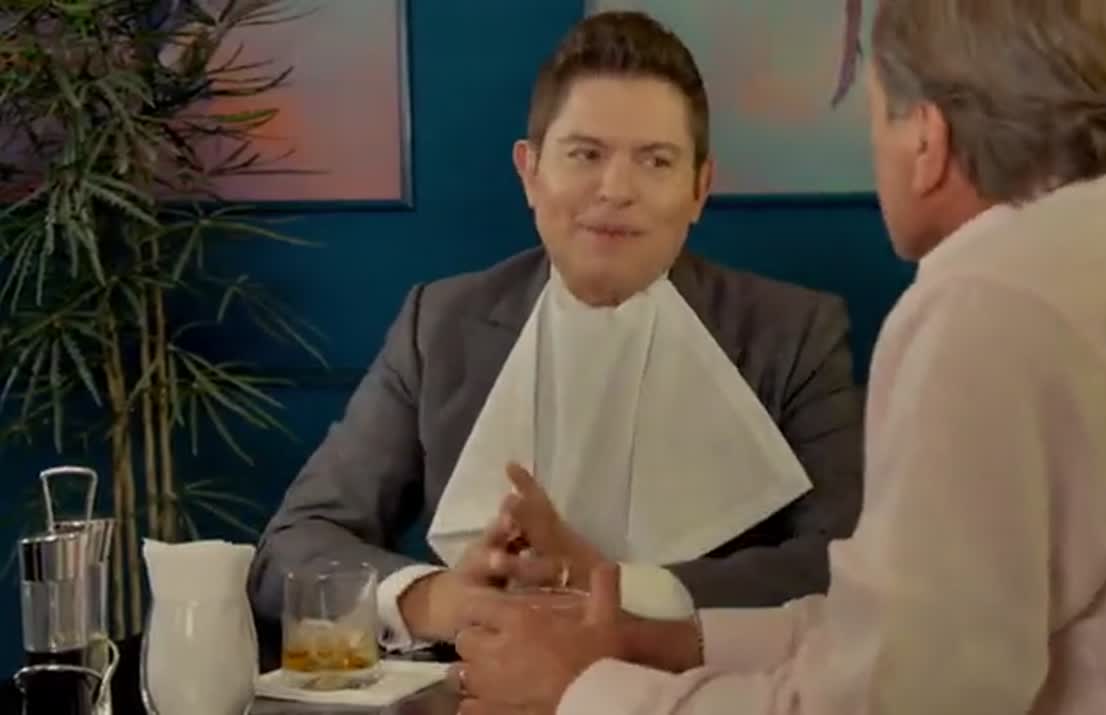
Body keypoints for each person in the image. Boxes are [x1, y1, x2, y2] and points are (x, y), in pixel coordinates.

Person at [449, 0, 1106, 713]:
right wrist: (666, 639)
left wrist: (581, 689)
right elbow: (911, 633)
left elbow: (891, 700)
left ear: (927, 140)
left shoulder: (994, 298)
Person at [247, 10, 865, 652]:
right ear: (530, 172)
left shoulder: (793, 335)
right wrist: (440, 600)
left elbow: (848, 567)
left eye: (656, 160)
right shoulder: (441, 326)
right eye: (585, 155)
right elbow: (292, 545)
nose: (616, 189)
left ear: (699, 189)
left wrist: (612, 587)